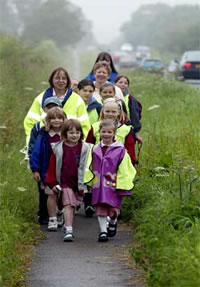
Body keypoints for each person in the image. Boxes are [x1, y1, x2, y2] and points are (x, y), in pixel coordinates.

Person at [84, 119, 136, 242]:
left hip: (113, 182)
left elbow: (125, 168)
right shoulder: (95, 149)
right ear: (99, 132)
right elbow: (89, 165)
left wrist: (123, 183)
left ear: (114, 133)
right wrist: (89, 181)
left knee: (113, 208)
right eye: (103, 132)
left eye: (109, 132)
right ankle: (103, 231)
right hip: (98, 183)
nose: (106, 134)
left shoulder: (120, 150)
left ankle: (113, 221)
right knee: (100, 207)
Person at [45, 119, 92, 242]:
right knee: (68, 204)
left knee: (74, 206)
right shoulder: (58, 149)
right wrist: (53, 183)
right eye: (71, 133)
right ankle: (69, 229)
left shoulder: (86, 148)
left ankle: (67, 225)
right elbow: (52, 167)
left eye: (77, 132)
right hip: (64, 182)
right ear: (64, 134)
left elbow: (91, 166)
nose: (74, 135)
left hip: (79, 183)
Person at [24, 67, 91, 148]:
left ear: (68, 81)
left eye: (64, 78)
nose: (61, 81)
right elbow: (30, 122)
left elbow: (85, 125)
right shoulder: (40, 98)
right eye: (57, 78)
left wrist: (79, 145)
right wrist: (33, 143)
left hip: (70, 146)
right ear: (51, 80)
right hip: (44, 145)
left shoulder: (77, 100)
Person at [29, 107, 66, 229]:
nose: (56, 121)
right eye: (53, 118)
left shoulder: (67, 133)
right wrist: (35, 169)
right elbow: (36, 152)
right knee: (51, 194)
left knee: (64, 194)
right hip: (48, 170)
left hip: (64, 170)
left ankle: (60, 212)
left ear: (64, 119)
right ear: (48, 120)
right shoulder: (43, 134)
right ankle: (52, 218)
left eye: (59, 118)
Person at [86, 98, 136, 164]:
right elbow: (88, 147)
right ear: (103, 111)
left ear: (118, 113)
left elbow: (131, 152)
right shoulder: (95, 127)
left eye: (113, 112)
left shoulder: (126, 130)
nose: (110, 114)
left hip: (119, 164)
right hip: (97, 164)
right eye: (107, 111)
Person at [115, 75, 143, 143]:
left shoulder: (130, 99)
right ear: (115, 83)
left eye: (125, 83)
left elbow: (135, 116)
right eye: (120, 82)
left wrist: (136, 132)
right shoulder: (110, 95)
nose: (123, 85)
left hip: (127, 129)